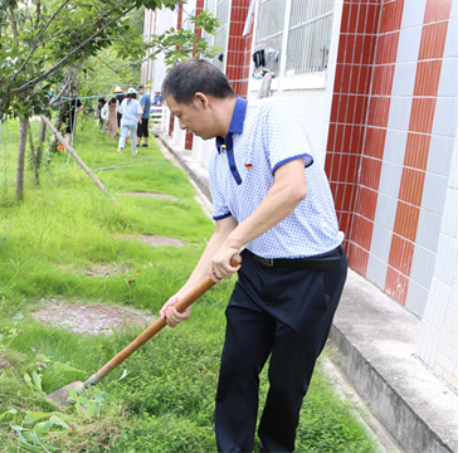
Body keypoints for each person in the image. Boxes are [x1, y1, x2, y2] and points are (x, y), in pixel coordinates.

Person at [159, 59, 346, 453]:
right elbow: (222, 233)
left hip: (311, 274)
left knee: (286, 384)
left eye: (180, 115)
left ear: (201, 100)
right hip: (256, 273)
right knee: (236, 371)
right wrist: (184, 293)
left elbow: (292, 188)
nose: (180, 126)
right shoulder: (217, 155)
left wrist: (233, 244)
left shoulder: (273, 115)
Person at [117, 88, 143, 155]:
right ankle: (134, 151)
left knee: (123, 135)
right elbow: (140, 112)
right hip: (133, 122)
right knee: (133, 136)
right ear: (134, 94)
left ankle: (119, 148)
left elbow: (121, 111)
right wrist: (139, 119)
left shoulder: (124, 101)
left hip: (124, 121)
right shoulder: (136, 102)